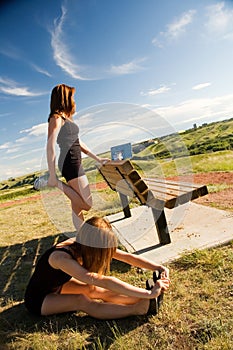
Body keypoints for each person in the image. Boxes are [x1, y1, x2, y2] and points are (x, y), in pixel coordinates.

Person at [24, 216, 170, 319]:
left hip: (56, 287)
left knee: (92, 290)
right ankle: (137, 309)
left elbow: (127, 257)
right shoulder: (61, 258)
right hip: (39, 299)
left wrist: (159, 267)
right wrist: (149, 294)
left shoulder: (84, 244)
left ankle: (143, 301)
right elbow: (102, 280)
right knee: (82, 300)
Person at [34, 84, 109, 230]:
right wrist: (53, 176)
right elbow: (50, 145)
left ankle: (81, 237)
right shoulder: (56, 117)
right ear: (64, 97)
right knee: (87, 204)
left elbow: (78, 142)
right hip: (70, 162)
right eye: (71, 96)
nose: (74, 100)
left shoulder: (67, 118)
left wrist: (98, 159)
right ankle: (54, 183)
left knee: (77, 205)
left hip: (74, 160)